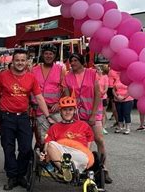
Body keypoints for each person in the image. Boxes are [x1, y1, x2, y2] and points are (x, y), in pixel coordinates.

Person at [0, 48, 52, 191]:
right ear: (12, 61)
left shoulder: (31, 78)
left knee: (26, 149)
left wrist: (48, 116)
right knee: (8, 148)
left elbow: (38, 97)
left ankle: (21, 175)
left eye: (23, 60)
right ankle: (12, 177)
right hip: (7, 117)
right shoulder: (3, 76)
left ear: (27, 62)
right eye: (17, 60)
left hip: (24, 117)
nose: (20, 63)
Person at [64, 53, 112, 184]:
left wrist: (93, 114)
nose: (72, 63)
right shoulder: (68, 77)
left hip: (93, 112)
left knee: (99, 139)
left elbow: (97, 94)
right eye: (71, 61)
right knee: (81, 142)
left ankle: (103, 168)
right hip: (78, 114)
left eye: (75, 60)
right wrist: (70, 115)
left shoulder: (91, 73)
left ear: (81, 62)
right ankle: (86, 167)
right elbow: (68, 98)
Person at [42, 95, 95, 182]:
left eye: (70, 109)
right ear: (60, 111)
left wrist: (87, 151)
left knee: (53, 145)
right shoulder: (54, 127)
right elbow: (47, 145)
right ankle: (65, 170)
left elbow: (89, 140)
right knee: (51, 145)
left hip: (79, 154)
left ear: (74, 111)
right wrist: (44, 155)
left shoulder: (83, 125)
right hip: (62, 156)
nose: (67, 112)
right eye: (64, 110)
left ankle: (67, 170)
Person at [31, 44, 65, 148]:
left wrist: (59, 103)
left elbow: (64, 89)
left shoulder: (60, 69)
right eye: (46, 53)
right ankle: (44, 160)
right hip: (40, 110)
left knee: (60, 137)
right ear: (42, 54)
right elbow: (30, 89)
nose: (48, 56)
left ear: (55, 56)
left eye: (51, 54)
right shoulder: (34, 70)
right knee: (43, 138)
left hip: (55, 110)